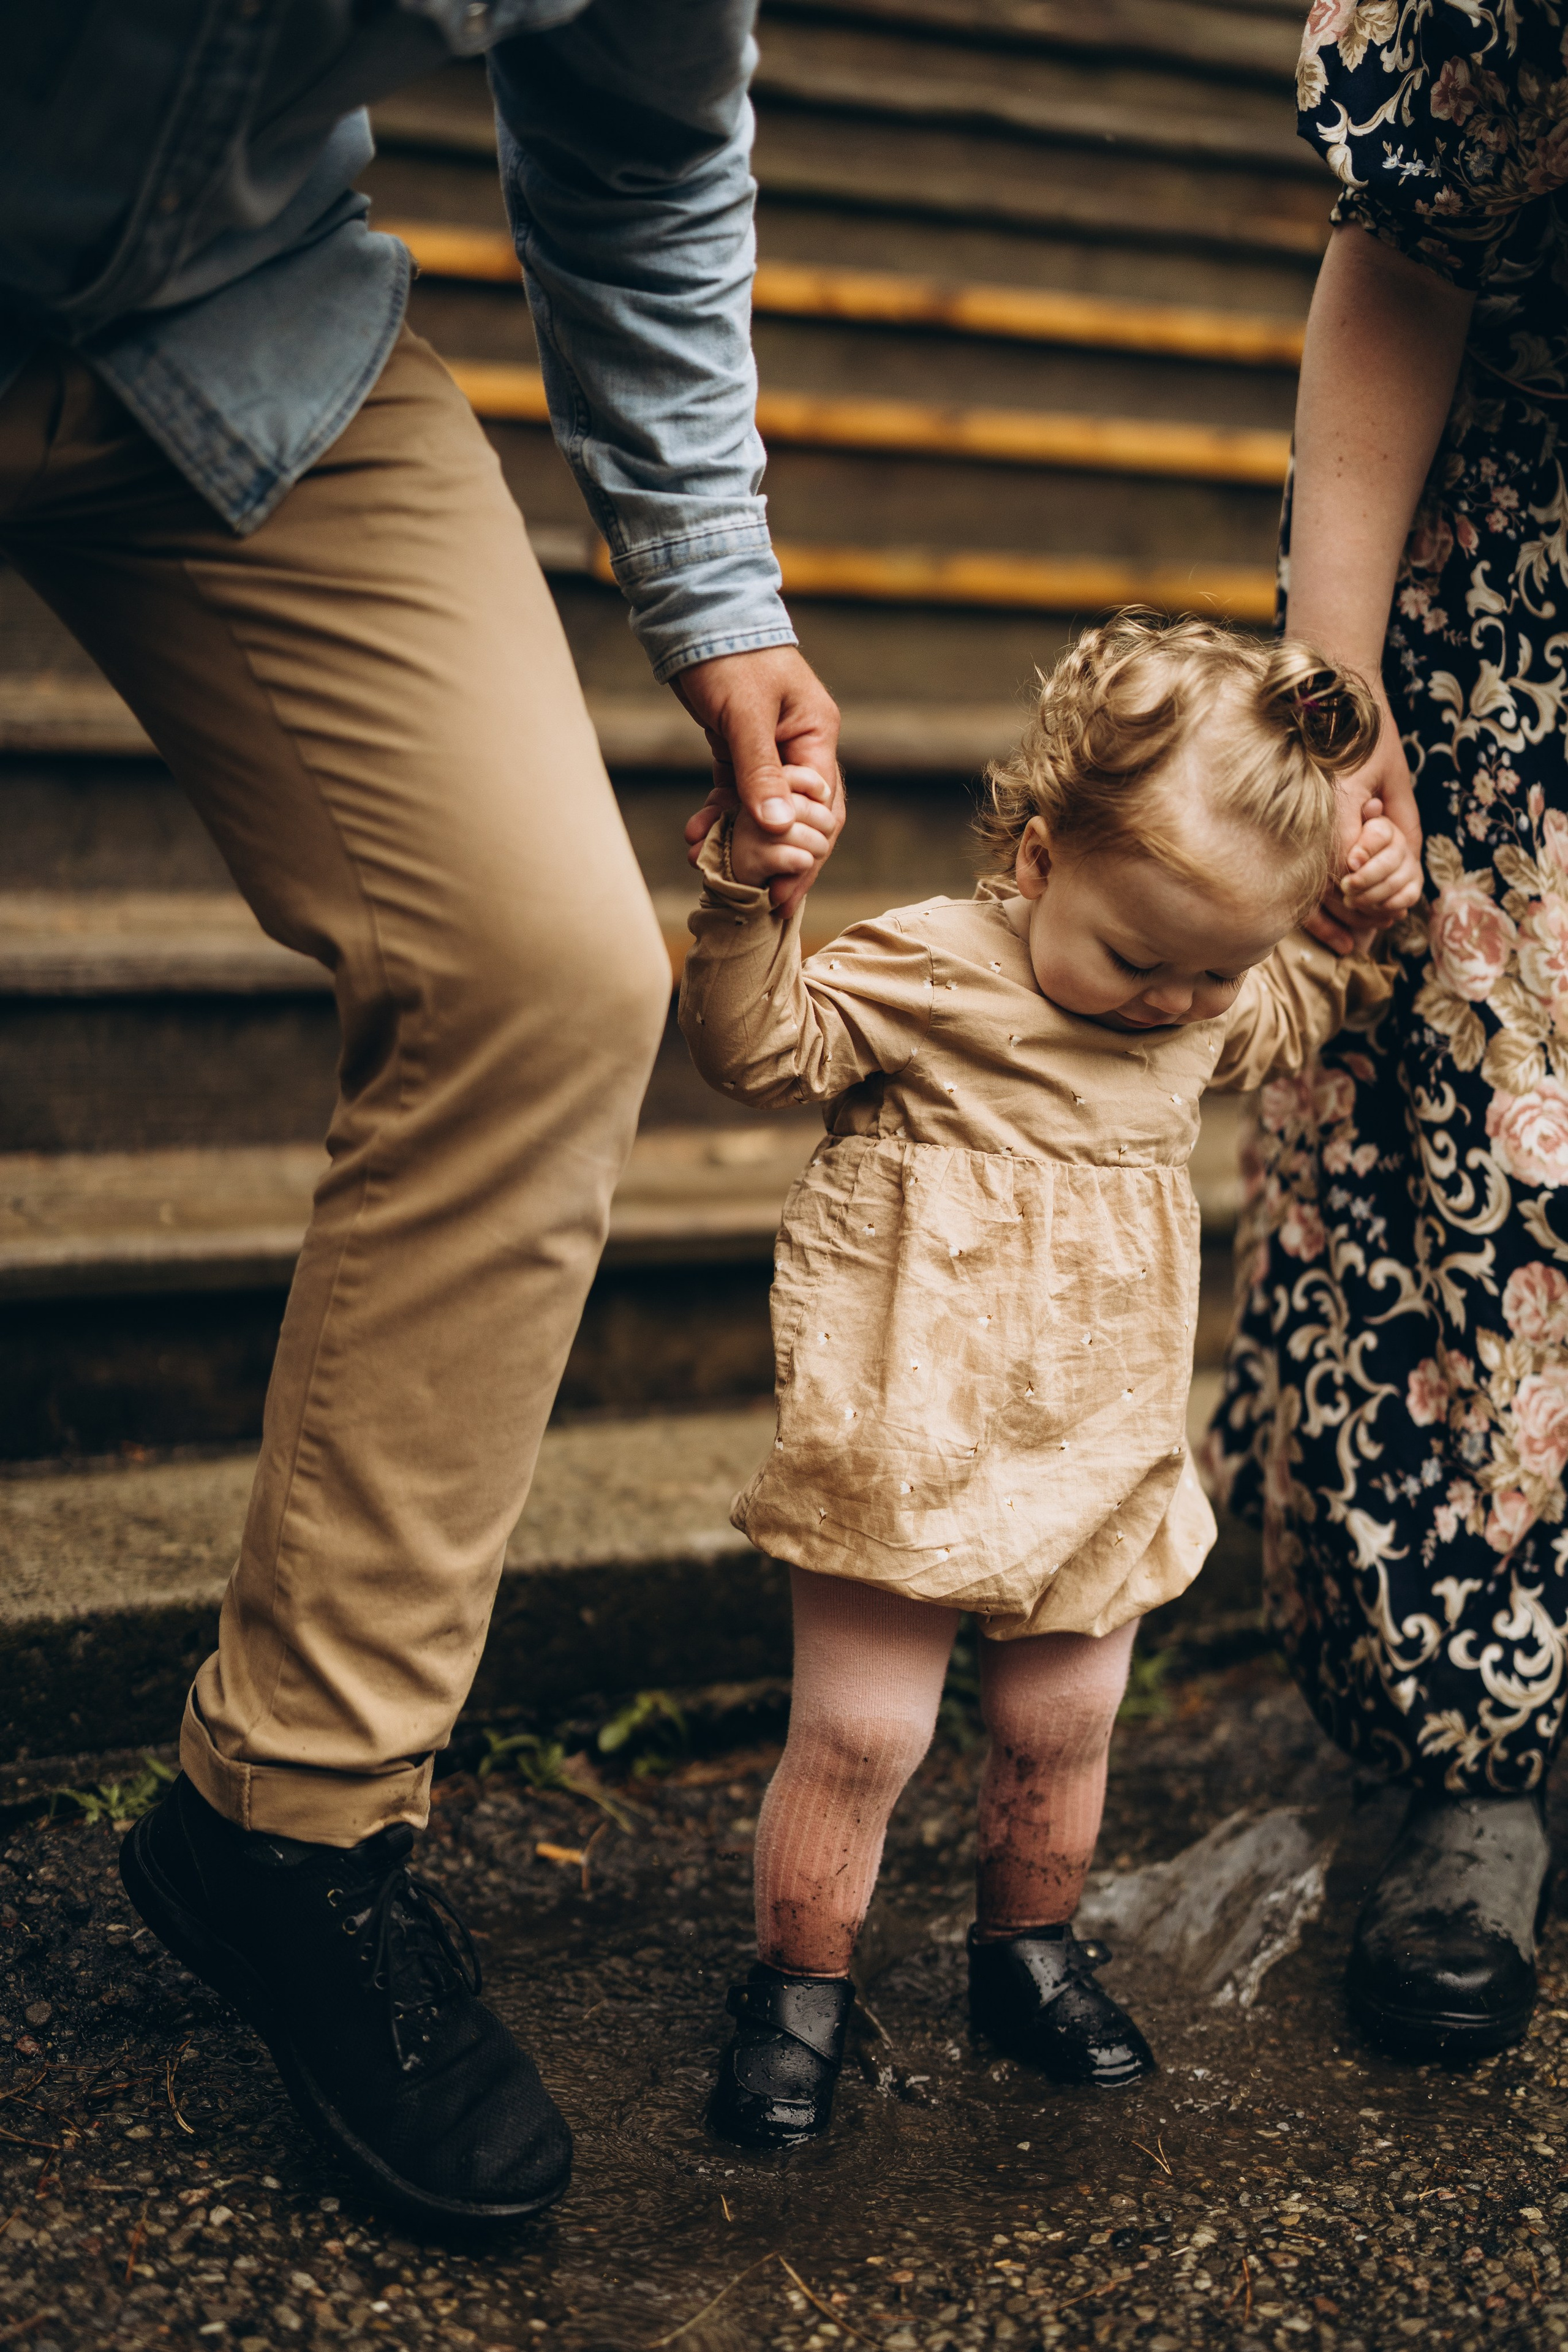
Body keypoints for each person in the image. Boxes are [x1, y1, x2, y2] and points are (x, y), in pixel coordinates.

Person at [2, 1, 843, 2227]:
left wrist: (716, 588)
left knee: (545, 966)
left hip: (236, 319)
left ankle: (290, 1818)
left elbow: (644, 146)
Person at [676, 616, 1417, 2148]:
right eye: (1138, 959)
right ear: (1034, 859)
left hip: (1097, 1437)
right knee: (863, 1735)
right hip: (908, 1430)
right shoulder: (929, 968)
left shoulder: (1210, 1003)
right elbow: (758, 1052)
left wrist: (1346, 931)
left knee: (1067, 1722)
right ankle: (796, 1990)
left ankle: (1025, 1952)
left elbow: (1296, 1006)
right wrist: (752, 907)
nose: (1170, 1001)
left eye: (1209, 971)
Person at [1208, 0, 1568, 2064]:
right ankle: (1475, 1747)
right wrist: (1337, 705)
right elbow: (1409, 246)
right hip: (1522, 600)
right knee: (1480, 1151)